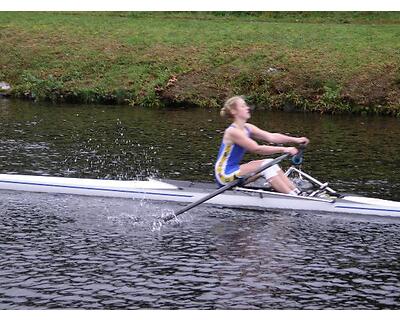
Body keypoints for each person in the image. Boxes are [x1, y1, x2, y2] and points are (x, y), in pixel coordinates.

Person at [214, 96, 309, 195]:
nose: (247, 108)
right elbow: (257, 149)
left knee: (270, 162)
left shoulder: (247, 127)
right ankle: (292, 196)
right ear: (234, 111)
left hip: (235, 170)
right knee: (266, 166)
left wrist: (296, 140)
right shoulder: (233, 132)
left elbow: (271, 137)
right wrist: (285, 149)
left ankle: (297, 193)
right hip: (224, 175)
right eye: (243, 106)